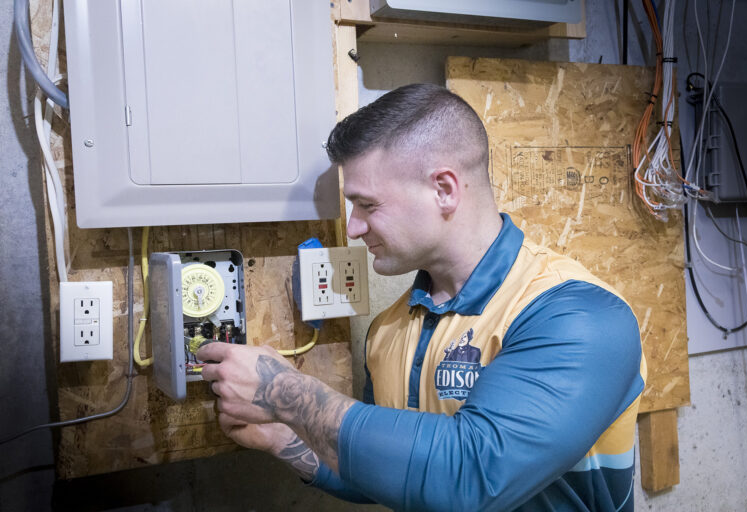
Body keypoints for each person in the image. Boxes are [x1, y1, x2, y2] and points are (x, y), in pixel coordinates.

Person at [198, 83, 646, 511]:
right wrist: (286, 439)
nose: (353, 227)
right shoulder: (388, 330)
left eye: (368, 205)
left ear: (444, 190)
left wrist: (286, 392)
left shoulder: (578, 316)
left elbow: (471, 479)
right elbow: (400, 476)